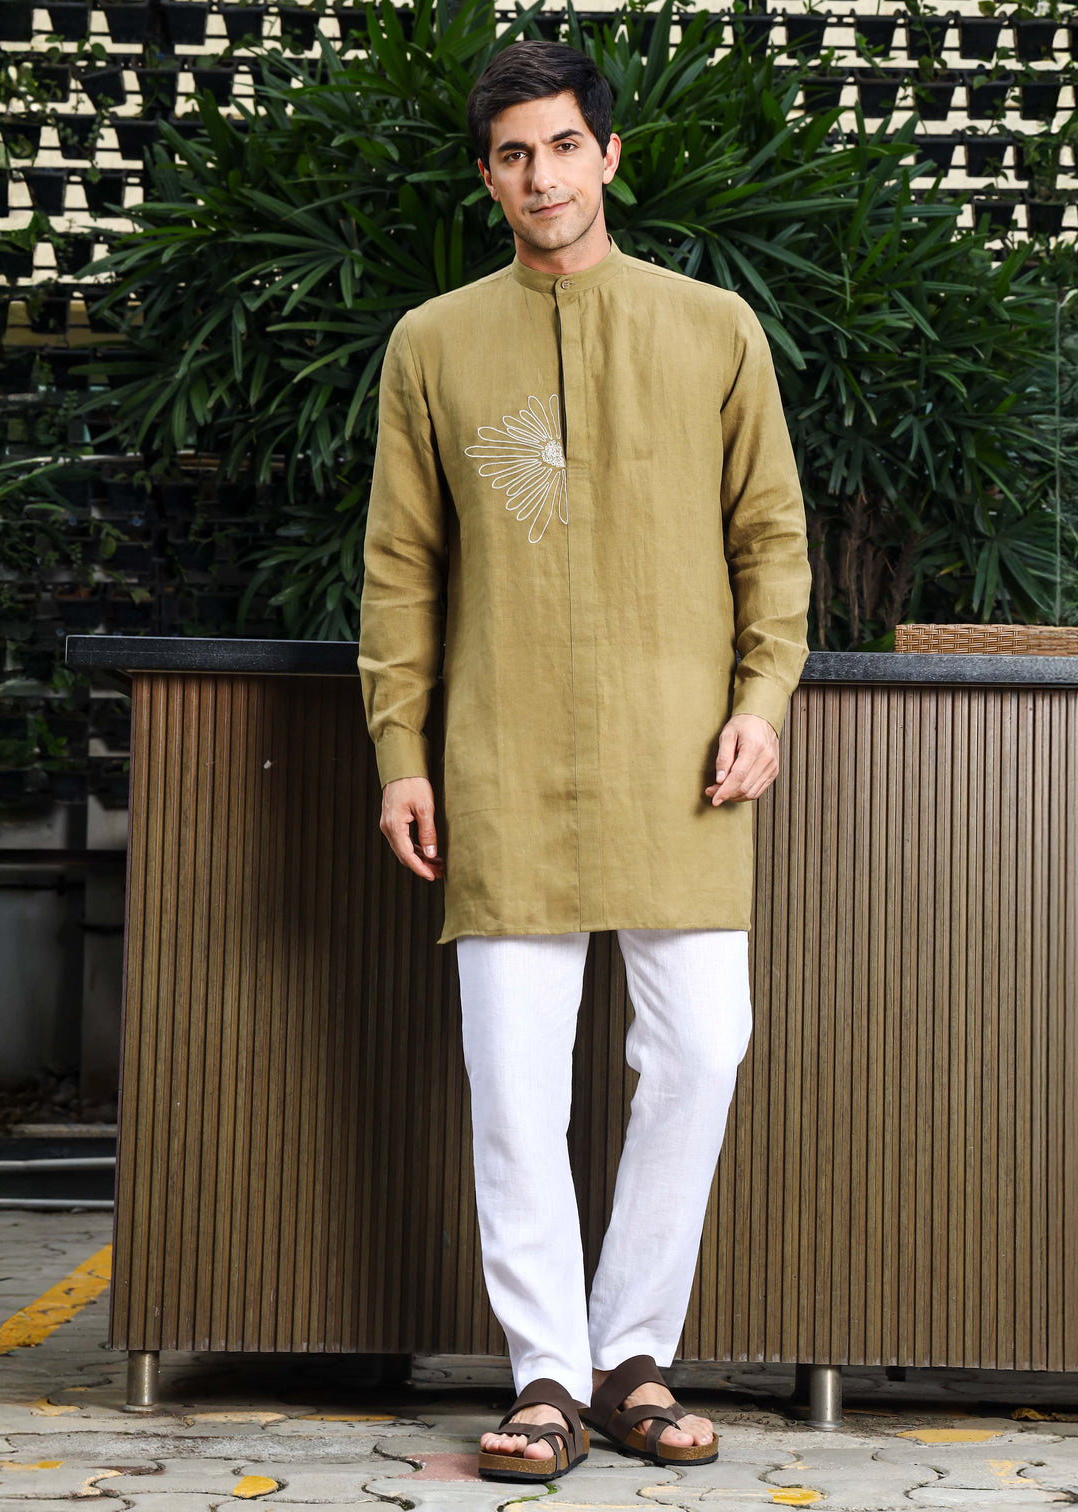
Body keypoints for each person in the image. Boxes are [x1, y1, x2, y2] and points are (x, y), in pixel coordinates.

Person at [357, 37, 812, 1484]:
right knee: (514, 1079)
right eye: (512, 153)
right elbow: (401, 568)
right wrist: (400, 749)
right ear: (488, 173)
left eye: (563, 146)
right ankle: (546, 1371)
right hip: (499, 753)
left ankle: (632, 1352)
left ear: (609, 155)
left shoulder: (713, 328)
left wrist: (766, 696)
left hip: (686, 757)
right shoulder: (435, 343)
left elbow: (771, 538)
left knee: (702, 1050)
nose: (541, 176)